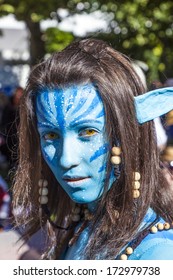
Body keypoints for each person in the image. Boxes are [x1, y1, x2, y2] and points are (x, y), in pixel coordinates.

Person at [12, 38, 173, 260]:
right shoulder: (82, 224)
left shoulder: (158, 254)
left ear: (127, 134)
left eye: (88, 132)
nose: (67, 159)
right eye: (50, 135)